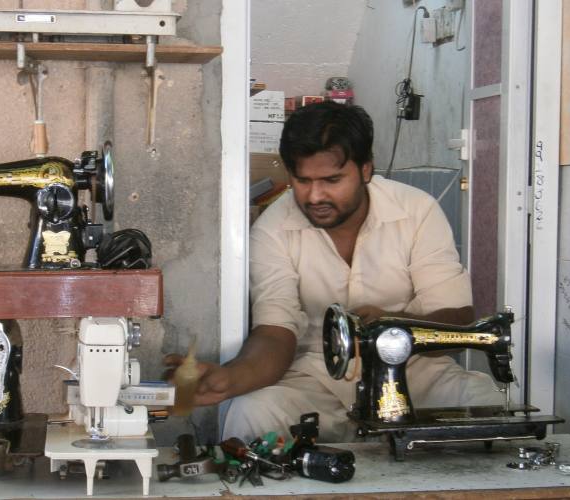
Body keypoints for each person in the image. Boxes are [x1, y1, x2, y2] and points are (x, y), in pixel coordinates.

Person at [165, 101, 501, 442]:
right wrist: (230, 379)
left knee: (486, 405)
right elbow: (274, 331)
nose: (315, 196)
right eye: (303, 180)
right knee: (251, 412)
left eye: (332, 180)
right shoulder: (272, 230)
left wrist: (391, 325)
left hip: (416, 373)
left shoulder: (417, 212)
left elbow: (459, 319)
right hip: (317, 380)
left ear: (366, 170)